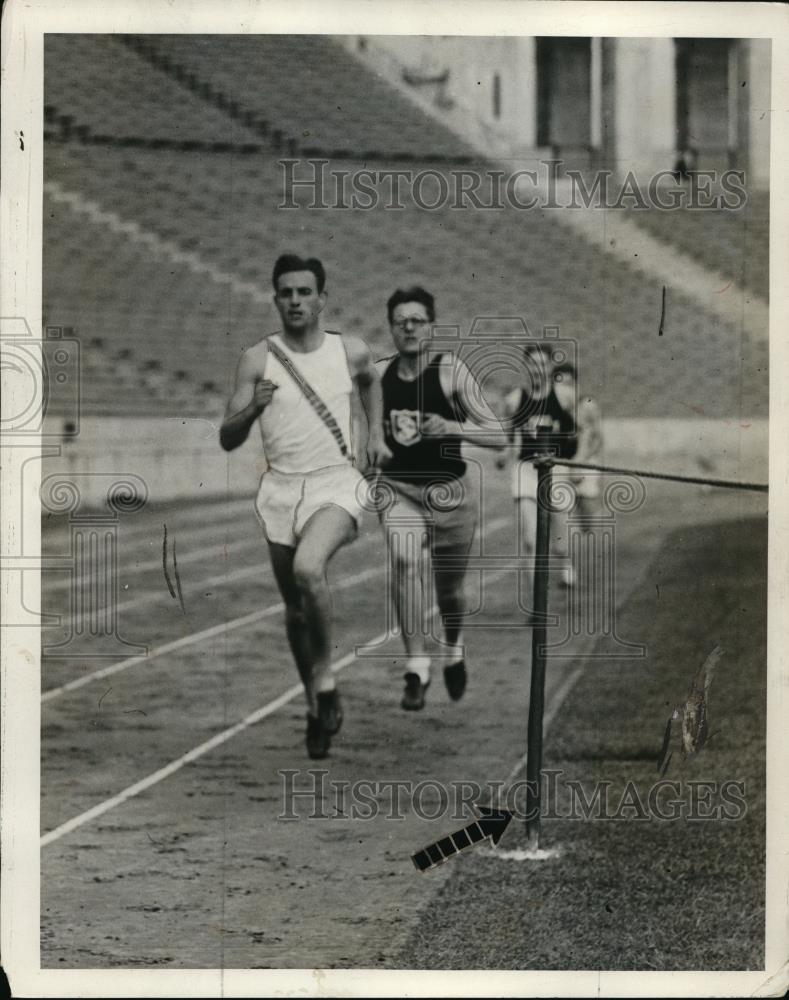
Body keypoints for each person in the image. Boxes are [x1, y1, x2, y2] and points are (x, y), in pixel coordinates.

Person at [220, 254, 390, 759]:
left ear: (321, 299)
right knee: (295, 610)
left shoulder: (350, 351)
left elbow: (370, 383)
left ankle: (326, 678)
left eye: (304, 292)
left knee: (309, 568)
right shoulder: (257, 359)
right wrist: (253, 407)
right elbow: (228, 439)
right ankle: (316, 707)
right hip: (280, 491)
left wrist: (375, 432)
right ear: (275, 299)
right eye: (286, 293)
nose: (295, 300)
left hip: (336, 484)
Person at [376, 286, 505, 710]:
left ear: (431, 326)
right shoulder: (379, 377)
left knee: (449, 592)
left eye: (417, 320)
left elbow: (498, 436)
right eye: (401, 321)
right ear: (392, 327)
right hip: (400, 490)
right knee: (404, 559)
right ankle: (416, 666)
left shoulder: (451, 371)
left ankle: (453, 645)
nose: (409, 327)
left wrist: (451, 428)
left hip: (451, 494)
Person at [498, 344, 579, 605]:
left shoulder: (565, 396)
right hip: (526, 470)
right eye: (532, 364)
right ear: (526, 367)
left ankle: (566, 562)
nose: (537, 369)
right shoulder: (515, 400)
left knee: (559, 541)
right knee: (530, 539)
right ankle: (536, 600)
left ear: (550, 367)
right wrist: (504, 454)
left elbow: (577, 430)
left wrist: (577, 463)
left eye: (542, 364)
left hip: (557, 468)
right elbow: (510, 437)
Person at [552, 360, 604, 586]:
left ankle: (583, 557)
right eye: (559, 384)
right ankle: (567, 567)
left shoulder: (588, 405)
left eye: (570, 384)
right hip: (560, 465)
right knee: (561, 516)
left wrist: (580, 463)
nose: (565, 390)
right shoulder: (552, 409)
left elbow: (598, 439)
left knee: (587, 523)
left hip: (586, 464)